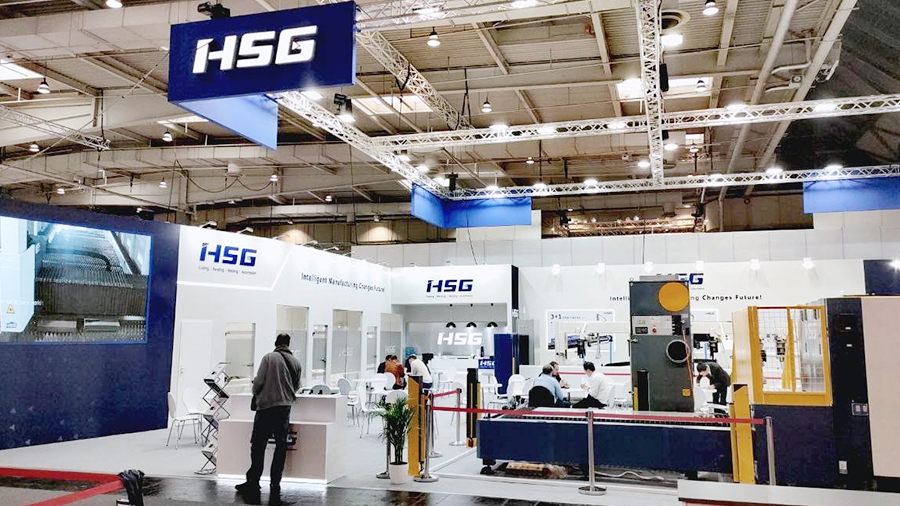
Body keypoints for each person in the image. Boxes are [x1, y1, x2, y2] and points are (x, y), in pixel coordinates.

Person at [235, 334, 302, 506]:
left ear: (276, 343)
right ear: (288, 344)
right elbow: (296, 386)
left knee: (258, 445)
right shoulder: (296, 362)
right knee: (280, 447)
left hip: (266, 408)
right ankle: (275, 482)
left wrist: (255, 392)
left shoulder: (268, 358)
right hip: (284, 409)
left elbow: (259, 382)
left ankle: (253, 481)